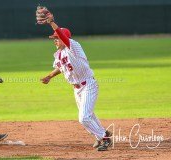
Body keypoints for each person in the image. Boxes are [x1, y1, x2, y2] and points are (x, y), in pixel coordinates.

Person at [36, 6, 112, 151]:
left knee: (84, 117)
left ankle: (105, 138)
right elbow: (61, 67)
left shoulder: (74, 47)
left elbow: (63, 37)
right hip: (76, 89)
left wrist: (52, 23)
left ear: (65, 39)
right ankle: (103, 134)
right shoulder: (58, 54)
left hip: (88, 84)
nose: (55, 41)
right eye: (54, 39)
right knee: (90, 116)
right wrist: (49, 76)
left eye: (56, 38)